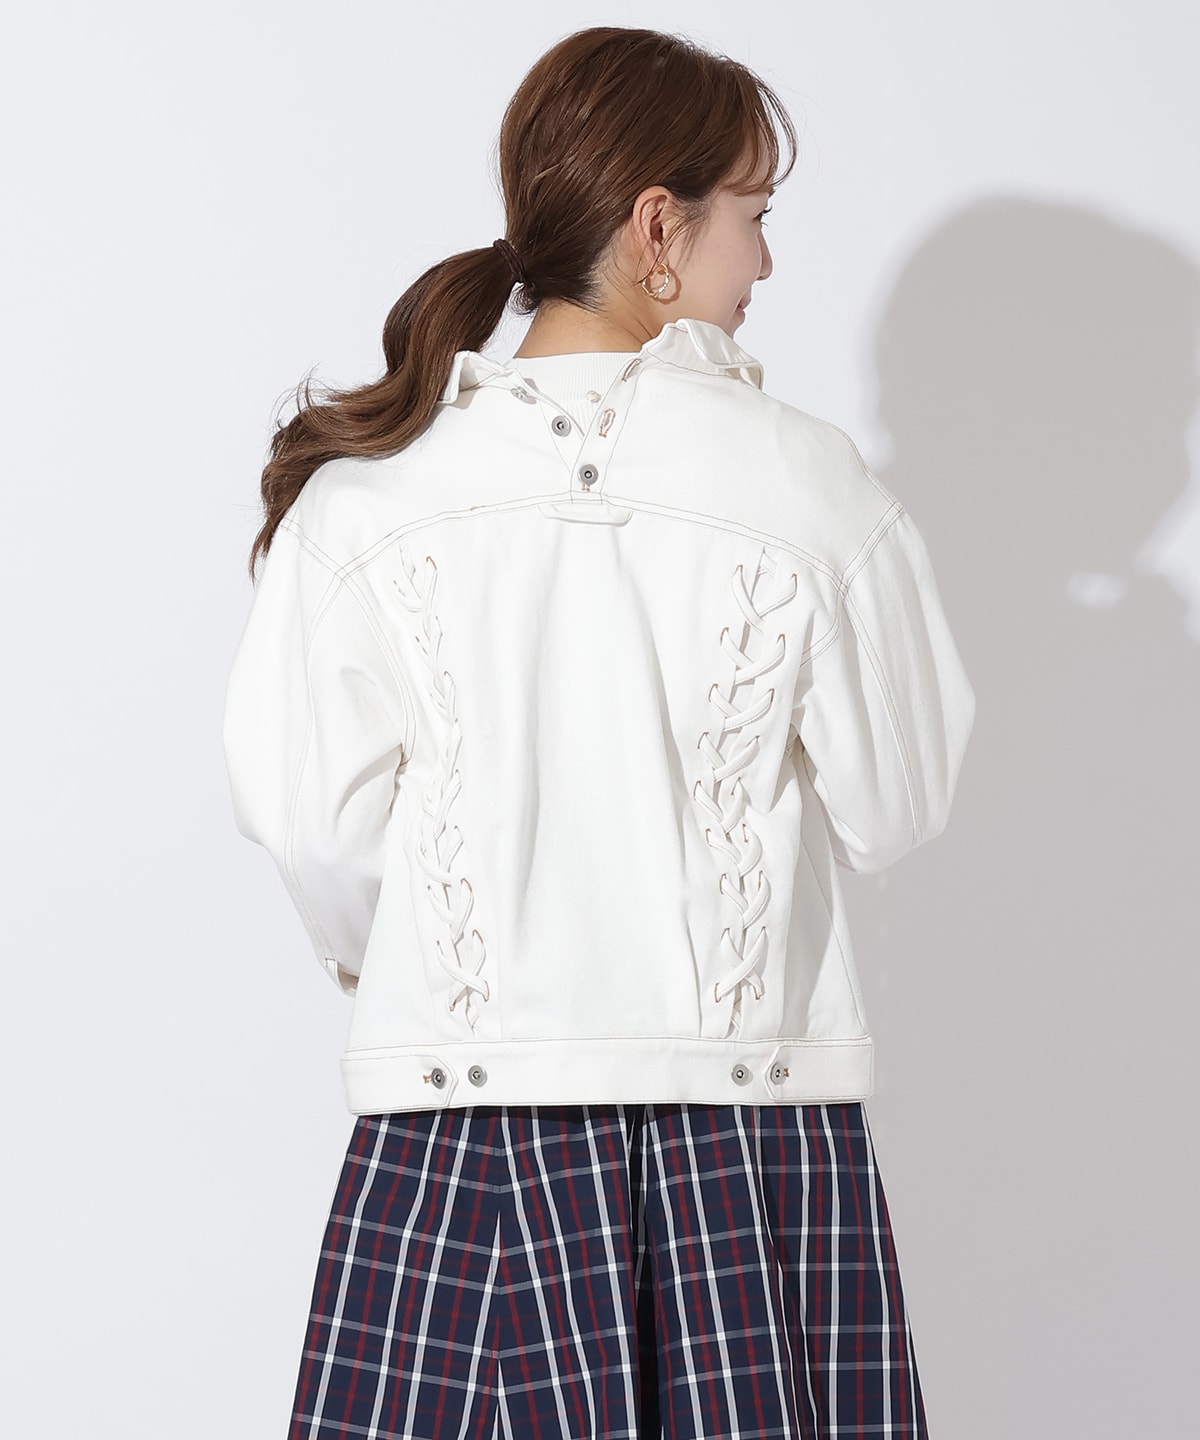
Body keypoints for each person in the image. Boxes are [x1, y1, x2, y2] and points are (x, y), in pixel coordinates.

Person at [222, 24, 975, 1440]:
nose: (766, 260)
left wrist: (462, 966)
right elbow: (898, 806)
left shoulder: (368, 499)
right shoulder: (808, 480)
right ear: (656, 226)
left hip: (460, 1137)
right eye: (754, 212)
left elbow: (318, 835)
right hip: (749, 1140)